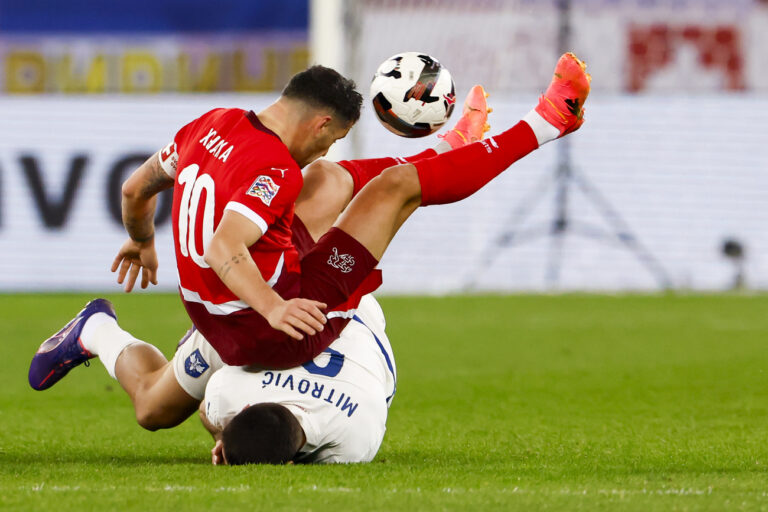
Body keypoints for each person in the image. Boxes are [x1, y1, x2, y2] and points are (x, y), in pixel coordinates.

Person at [29, 52, 590, 421]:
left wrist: (141, 239)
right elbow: (226, 245)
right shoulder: (274, 169)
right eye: (333, 137)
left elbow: (133, 191)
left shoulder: (210, 124)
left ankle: (96, 330)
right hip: (267, 328)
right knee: (395, 188)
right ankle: (548, 121)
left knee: (153, 408)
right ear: (322, 123)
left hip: (214, 315)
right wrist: (274, 308)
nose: (326, 148)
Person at [200, 293, 395, 465]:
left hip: (351, 311)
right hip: (355, 307)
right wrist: (228, 440)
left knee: (169, 409)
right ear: (245, 408)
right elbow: (207, 406)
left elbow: (205, 409)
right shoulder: (230, 393)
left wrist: (225, 439)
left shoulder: (353, 443)